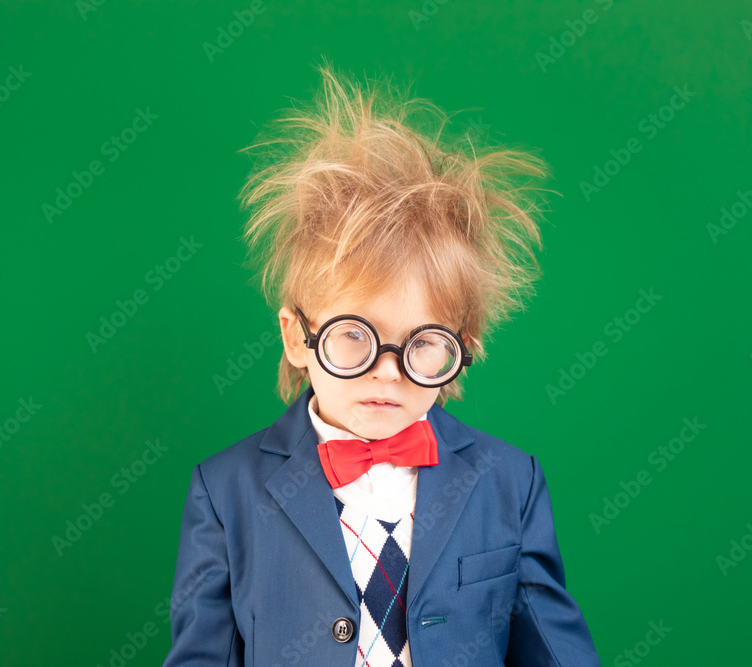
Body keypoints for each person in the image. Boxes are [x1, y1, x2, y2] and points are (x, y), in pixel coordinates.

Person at [163, 59, 601, 666]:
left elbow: (556, 654)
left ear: (461, 348)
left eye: (422, 343)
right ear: (297, 337)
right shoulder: (226, 489)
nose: (388, 371)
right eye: (354, 336)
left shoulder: (510, 481)